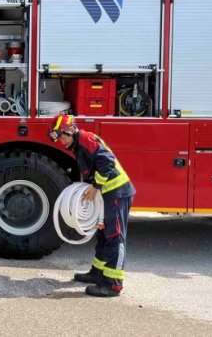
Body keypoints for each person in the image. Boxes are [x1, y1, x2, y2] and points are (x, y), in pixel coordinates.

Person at [48, 114, 135, 297]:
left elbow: (107, 162)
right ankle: (97, 274)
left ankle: (113, 285)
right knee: (103, 235)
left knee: (115, 237)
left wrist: (96, 187)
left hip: (116, 193)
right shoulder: (77, 146)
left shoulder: (86, 139)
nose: (61, 141)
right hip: (106, 195)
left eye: (62, 136)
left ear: (71, 130)